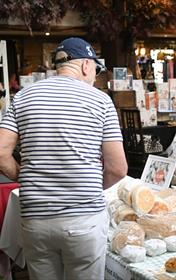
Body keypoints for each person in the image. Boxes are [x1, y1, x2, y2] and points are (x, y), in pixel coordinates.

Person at [0, 37, 127, 280]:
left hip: (36, 219)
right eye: (96, 71)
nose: (95, 77)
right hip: (83, 219)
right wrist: (88, 187)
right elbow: (118, 168)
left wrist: (25, 177)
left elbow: (0, 153)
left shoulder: (24, 96)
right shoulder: (101, 101)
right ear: (86, 66)